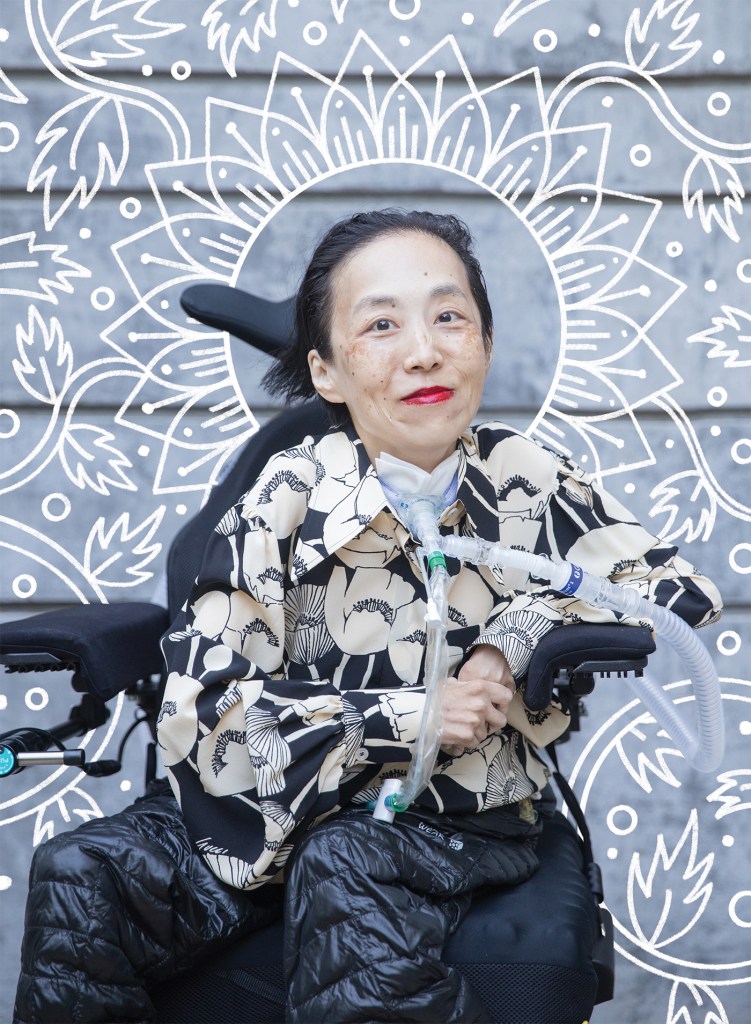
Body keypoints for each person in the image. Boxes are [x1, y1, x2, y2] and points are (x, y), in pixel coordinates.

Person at [156, 210, 722, 1022]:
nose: (423, 350)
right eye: (381, 324)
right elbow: (202, 712)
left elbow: (670, 591)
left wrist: (510, 640)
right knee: (88, 868)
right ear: (325, 371)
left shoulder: (526, 476)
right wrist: (407, 715)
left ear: (485, 344)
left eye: (448, 317)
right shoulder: (283, 496)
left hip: (465, 817)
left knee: (343, 859)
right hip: (279, 814)